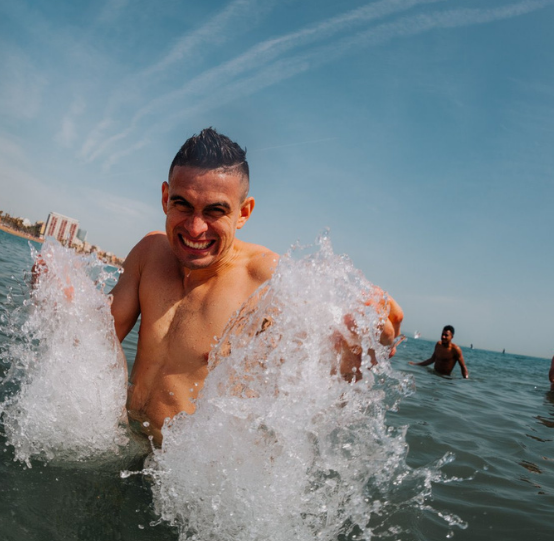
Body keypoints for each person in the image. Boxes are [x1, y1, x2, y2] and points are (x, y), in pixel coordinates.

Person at [109, 128, 403, 446]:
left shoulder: (269, 280)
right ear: (166, 197)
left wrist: (359, 346)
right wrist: (63, 301)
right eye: (183, 205)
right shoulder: (149, 253)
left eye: (215, 211)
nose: (195, 228)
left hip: (185, 477)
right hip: (128, 446)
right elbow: (98, 337)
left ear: (243, 213)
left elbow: (323, 378)